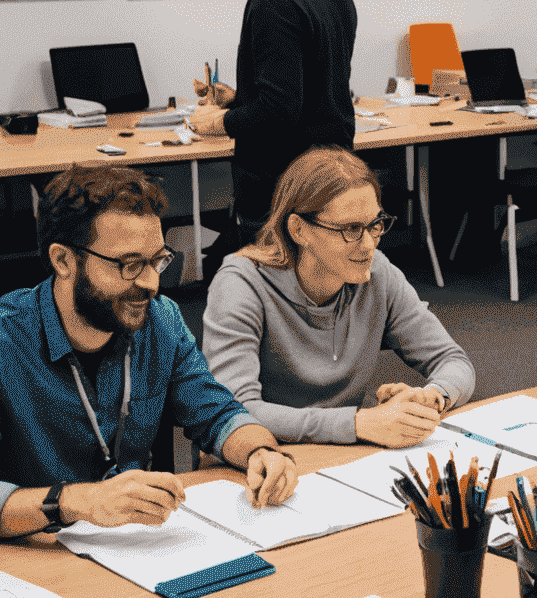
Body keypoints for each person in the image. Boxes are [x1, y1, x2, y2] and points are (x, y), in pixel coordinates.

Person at [0, 166, 297, 544]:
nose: (150, 283)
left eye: (157, 260)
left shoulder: (160, 321)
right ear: (64, 261)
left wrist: (260, 450)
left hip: (131, 547)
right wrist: (77, 501)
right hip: (30, 557)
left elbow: (217, 413)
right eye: (129, 265)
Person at [202, 147, 475, 445]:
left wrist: (430, 397)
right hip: (262, 458)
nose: (369, 244)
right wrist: (356, 423)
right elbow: (235, 412)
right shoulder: (240, 284)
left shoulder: (377, 273)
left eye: (374, 225)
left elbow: (453, 360)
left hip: (344, 450)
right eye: (350, 229)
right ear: (299, 230)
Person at [187, 0, 357, 257]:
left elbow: (280, 110)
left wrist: (215, 122)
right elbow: (312, 88)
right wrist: (240, 97)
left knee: (275, 307)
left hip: (282, 194)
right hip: (329, 180)